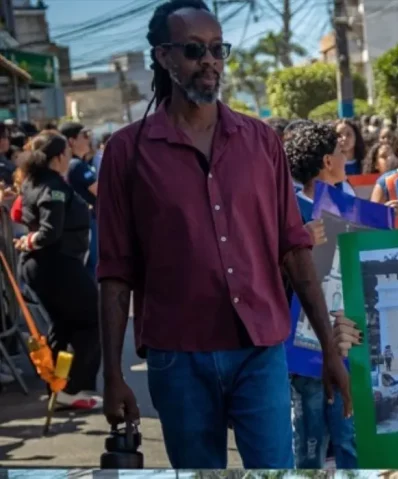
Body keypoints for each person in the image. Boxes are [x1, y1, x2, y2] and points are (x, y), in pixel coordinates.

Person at [97, 1, 349, 469]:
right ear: (163, 57)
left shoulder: (261, 142)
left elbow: (293, 249)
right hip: (178, 357)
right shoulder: (127, 153)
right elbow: (115, 272)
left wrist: (329, 349)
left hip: (260, 351)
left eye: (218, 49)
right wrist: (113, 372)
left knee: (275, 471)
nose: (210, 61)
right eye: (194, 50)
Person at [283, 122, 358, 468]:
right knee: (310, 441)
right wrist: (300, 239)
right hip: (306, 347)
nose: (346, 157)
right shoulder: (290, 212)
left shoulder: (348, 205)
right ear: (328, 161)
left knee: (349, 436)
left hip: (346, 338)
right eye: (341, 152)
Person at [16, 131, 100, 409]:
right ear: (58, 157)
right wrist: (31, 239)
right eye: (67, 152)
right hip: (57, 265)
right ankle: (71, 386)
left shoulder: (33, 181)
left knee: (62, 326)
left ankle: (59, 385)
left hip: (50, 266)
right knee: (91, 321)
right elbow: (50, 232)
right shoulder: (51, 186)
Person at [59, 122, 99, 279]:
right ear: (71, 141)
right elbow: (101, 191)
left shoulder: (77, 164)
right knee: (91, 265)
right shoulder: (76, 165)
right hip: (86, 221)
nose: (88, 140)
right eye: (85, 136)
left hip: (83, 221)